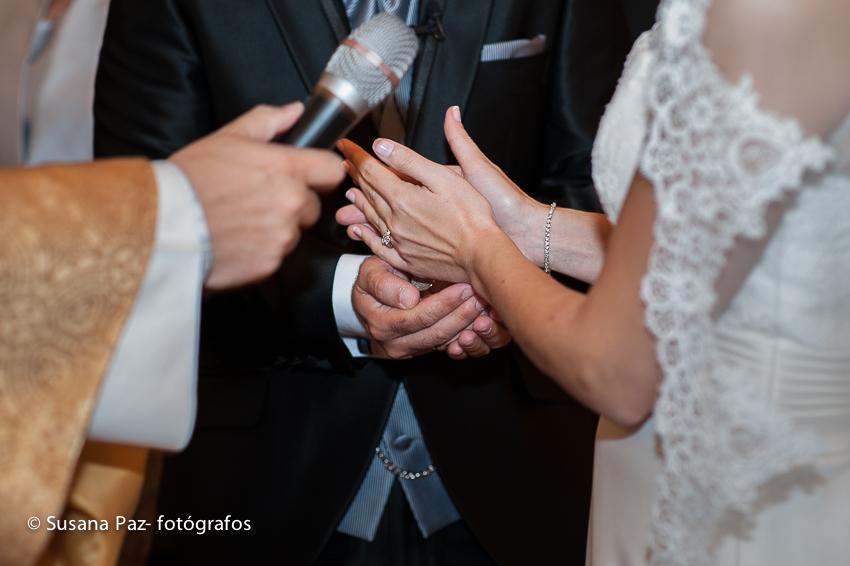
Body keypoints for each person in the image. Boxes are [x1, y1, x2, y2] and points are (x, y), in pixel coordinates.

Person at [93, 0, 659, 564]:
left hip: (516, 471)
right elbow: (143, 227)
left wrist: (503, 290)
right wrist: (342, 295)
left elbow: (612, 192)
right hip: (269, 475)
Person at [338, 0, 850, 564]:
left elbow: (617, 372)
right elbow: (703, 255)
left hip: (741, 497)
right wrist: (527, 225)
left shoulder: (767, 12)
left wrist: (477, 248)